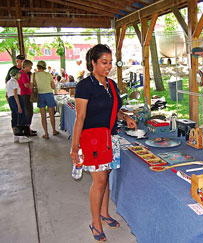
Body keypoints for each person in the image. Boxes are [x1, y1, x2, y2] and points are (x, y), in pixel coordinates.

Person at [70, 44, 137, 242]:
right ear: (93, 62)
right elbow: (80, 117)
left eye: (110, 63)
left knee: (106, 178)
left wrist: (125, 117)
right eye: (104, 63)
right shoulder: (85, 86)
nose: (108, 67)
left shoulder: (111, 84)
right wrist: (75, 147)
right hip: (92, 140)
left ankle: (104, 214)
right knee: (98, 181)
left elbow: (113, 109)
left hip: (111, 138)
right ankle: (95, 222)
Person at [31, 60, 59, 139]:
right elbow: (53, 86)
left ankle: (46, 133)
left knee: (43, 116)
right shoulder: (48, 75)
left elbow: (31, 86)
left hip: (40, 95)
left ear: (37, 67)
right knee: (51, 115)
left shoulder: (34, 75)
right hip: (49, 94)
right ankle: (54, 130)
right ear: (44, 67)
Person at [6, 69, 31, 143]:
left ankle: (16, 135)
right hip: (16, 99)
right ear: (16, 75)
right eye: (19, 74)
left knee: (15, 117)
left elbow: (7, 94)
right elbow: (15, 94)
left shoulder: (9, 82)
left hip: (11, 99)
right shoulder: (14, 82)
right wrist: (19, 106)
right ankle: (21, 136)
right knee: (21, 116)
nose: (20, 75)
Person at [18, 59, 37, 136]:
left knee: (26, 112)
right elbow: (26, 85)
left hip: (23, 94)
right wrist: (32, 85)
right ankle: (27, 129)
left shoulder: (20, 73)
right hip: (25, 94)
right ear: (25, 66)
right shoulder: (24, 74)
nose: (30, 69)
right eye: (30, 67)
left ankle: (27, 128)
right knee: (29, 112)